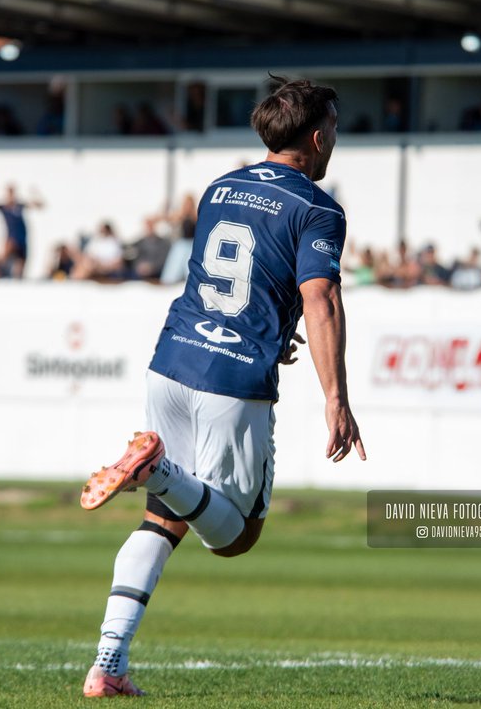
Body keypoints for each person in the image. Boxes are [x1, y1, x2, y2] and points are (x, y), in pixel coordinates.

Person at [77, 76, 365, 698]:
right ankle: (155, 469)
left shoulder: (221, 186)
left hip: (173, 358)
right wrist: (336, 398)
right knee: (236, 537)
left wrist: (274, 329)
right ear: (317, 138)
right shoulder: (318, 207)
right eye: (335, 129)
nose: (335, 140)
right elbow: (322, 299)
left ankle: (109, 665)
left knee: (164, 522)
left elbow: (237, 275)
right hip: (233, 378)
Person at [0, 184, 44, 279]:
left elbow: (40, 205)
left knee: (20, 268)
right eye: (9, 193)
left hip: (22, 240)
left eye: (12, 193)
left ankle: (13, 282)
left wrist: (35, 193)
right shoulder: (3, 207)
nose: (11, 196)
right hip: (11, 239)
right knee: (3, 259)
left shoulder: (20, 206)